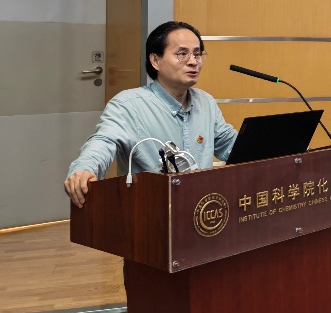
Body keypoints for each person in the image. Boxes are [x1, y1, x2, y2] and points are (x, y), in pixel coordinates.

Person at [64, 20, 237, 207]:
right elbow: (104, 142)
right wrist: (85, 169)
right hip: (150, 210)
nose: (193, 61)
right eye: (182, 54)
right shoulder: (128, 105)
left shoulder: (205, 102)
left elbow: (230, 144)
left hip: (203, 207)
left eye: (197, 54)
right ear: (155, 61)